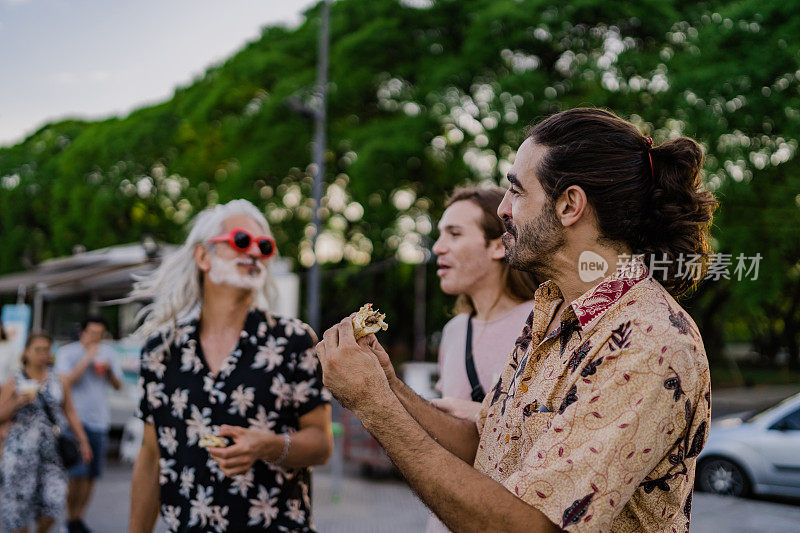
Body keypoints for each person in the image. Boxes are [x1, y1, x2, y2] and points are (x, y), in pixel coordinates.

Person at [316, 108, 716, 532]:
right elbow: (484, 446)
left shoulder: (650, 344)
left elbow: (529, 527)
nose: (503, 209)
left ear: (569, 205)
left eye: (517, 191)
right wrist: (388, 385)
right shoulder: (553, 310)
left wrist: (373, 406)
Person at [128, 199, 333, 533]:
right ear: (203, 256)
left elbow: (322, 444)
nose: (254, 252)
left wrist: (267, 445)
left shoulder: (294, 340)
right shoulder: (161, 351)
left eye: (264, 247)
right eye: (241, 241)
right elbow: (151, 457)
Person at [427, 187, 537, 533]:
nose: (438, 247)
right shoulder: (453, 331)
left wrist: (482, 416)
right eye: (440, 234)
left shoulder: (542, 323)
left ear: (497, 245)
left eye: (454, 234)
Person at [0, 331, 93, 533]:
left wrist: (83, 441)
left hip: (52, 454)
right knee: (18, 508)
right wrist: (17, 402)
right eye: (38, 350)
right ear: (26, 352)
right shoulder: (13, 382)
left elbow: (70, 411)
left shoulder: (60, 379)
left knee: (54, 502)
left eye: (46, 350)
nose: (43, 354)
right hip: (20, 454)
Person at [54, 316, 123, 533]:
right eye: (92, 333)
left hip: (100, 420)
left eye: (100, 334)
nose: (96, 338)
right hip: (74, 422)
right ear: (82, 332)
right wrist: (87, 359)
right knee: (77, 473)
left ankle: (78, 519)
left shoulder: (109, 353)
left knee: (93, 475)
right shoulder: (67, 353)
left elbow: (118, 385)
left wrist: (109, 370)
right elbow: (65, 382)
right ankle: (69, 518)